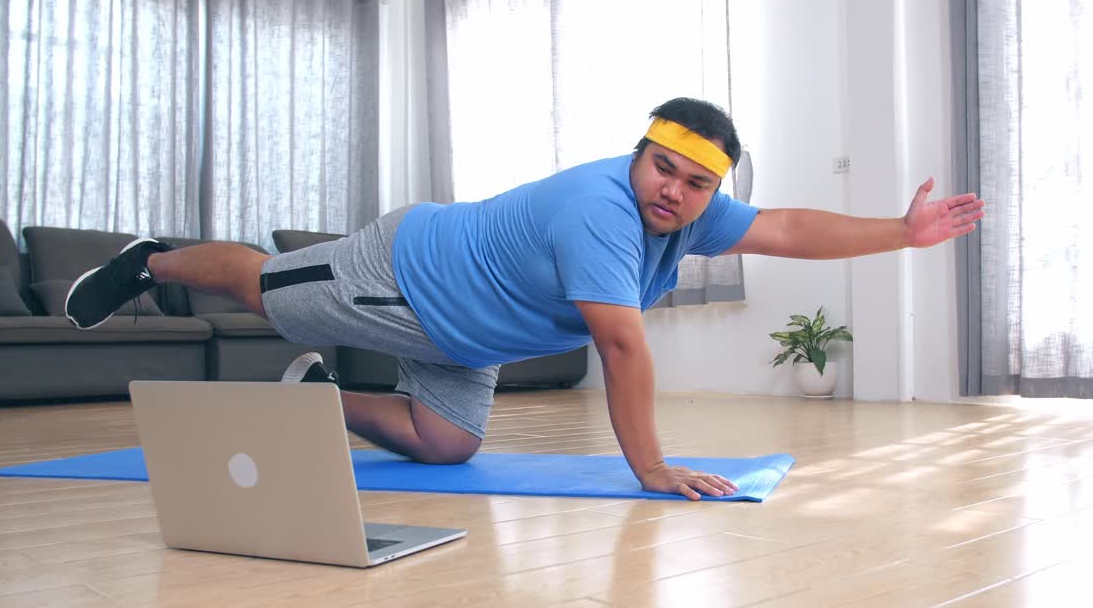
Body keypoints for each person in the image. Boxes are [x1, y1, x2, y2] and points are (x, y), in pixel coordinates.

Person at [64, 97, 984, 501]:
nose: (675, 192)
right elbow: (624, 350)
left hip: (466, 337)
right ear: (640, 155)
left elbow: (783, 227)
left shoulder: (694, 210)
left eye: (697, 184)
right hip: (403, 277)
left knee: (448, 447)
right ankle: (156, 262)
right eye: (664, 168)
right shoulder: (602, 213)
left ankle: (315, 404)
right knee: (266, 290)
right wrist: (652, 469)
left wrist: (901, 232)